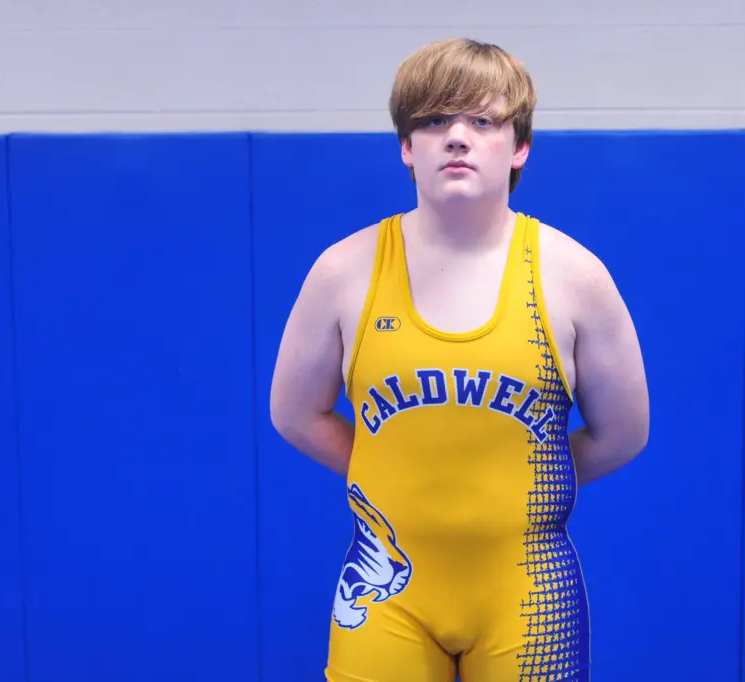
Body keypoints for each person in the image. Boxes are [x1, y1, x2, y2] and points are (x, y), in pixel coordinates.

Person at [269, 37, 650, 682]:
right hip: (389, 595)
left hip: (528, 597)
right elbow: (295, 415)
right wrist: (392, 472)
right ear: (406, 146)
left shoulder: (575, 278)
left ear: (519, 146)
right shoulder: (343, 272)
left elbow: (623, 434)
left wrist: (525, 483)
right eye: (434, 120)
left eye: (482, 120)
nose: (456, 137)